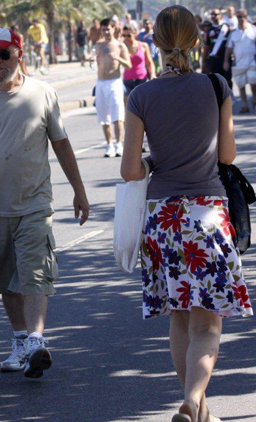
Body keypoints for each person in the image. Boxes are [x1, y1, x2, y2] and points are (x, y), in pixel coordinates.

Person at [121, 6, 252, 421]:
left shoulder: (140, 95)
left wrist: (154, 161)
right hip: (208, 214)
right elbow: (228, 155)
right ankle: (195, 401)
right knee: (208, 326)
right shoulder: (216, 85)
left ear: (153, 42)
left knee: (179, 321)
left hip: (163, 218)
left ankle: (199, 410)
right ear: (197, 41)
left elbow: (129, 171)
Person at [0, 27, 89, 378]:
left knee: (35, 271)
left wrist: (79, 191)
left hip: (34, 202)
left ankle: (37, 339)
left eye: (3, 54)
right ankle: (21, 339)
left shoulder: (43, 93)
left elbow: (62, 144)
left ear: (19, 53)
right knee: (5, 278)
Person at [95, 18, 131, 158]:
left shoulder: (120, 45)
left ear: (113, 28)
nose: (106, 32)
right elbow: (95, 62)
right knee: (104, 115)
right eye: (103, 29)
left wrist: (118, 58)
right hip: (101, 82)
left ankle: (119, 144)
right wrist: (92, 60)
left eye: (108, 29)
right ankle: (109, 144)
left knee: (117, 115)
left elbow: (128, 64)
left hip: (114, 81)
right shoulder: (98, 45)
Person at [224, 9, 256, 113]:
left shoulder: (253, 29)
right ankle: (245, 105)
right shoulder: (233, 32)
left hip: (252, 62)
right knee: (241, 86)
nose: (240, 19)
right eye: (238, 17)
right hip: (239, 64)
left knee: (253, 83)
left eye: (242, 16)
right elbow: (228, 48)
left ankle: (254, 100)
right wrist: (226, 61)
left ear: (246, 17)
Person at [122, 25, 156, 99]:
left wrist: (153, 75)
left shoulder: (143, 46)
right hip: (128, 81)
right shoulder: (121, 47)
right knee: (129, 105)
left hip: (142, 79)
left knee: (144, 102)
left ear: (135, 34)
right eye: (123, 35)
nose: (126, 38)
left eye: (128, 35)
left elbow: (149, 63)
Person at [206, 9, 232, 88]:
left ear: (220, 16)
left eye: (216, 14)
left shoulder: (226, 27)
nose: (214, 16)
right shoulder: (210, 29)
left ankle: (230, 96)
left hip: (225, 58)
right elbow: (207, 45)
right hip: (214, 59)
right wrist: (205, 60)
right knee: (215, 80)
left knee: (227, 79)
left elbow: (231, 43)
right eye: (212, 14)